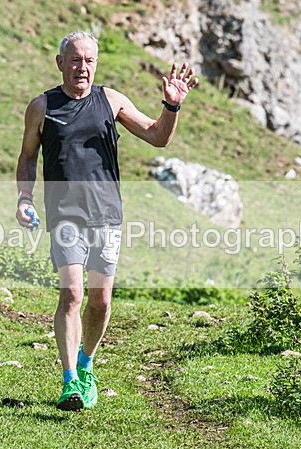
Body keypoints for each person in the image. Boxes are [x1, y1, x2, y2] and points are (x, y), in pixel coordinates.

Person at [15, 31, 198, 411]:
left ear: (96, 64)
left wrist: (172, 107)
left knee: (99, 300)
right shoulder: (41, 106)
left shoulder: (110, 100)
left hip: (107, 216)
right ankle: (69, 384)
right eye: (76, 60)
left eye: (89, 60)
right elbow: (28, 157)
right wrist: (24, 198)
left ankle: (86, 365)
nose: (82, 67)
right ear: (60, 62)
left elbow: (157, 137)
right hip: (65, 216)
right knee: (72, 295)